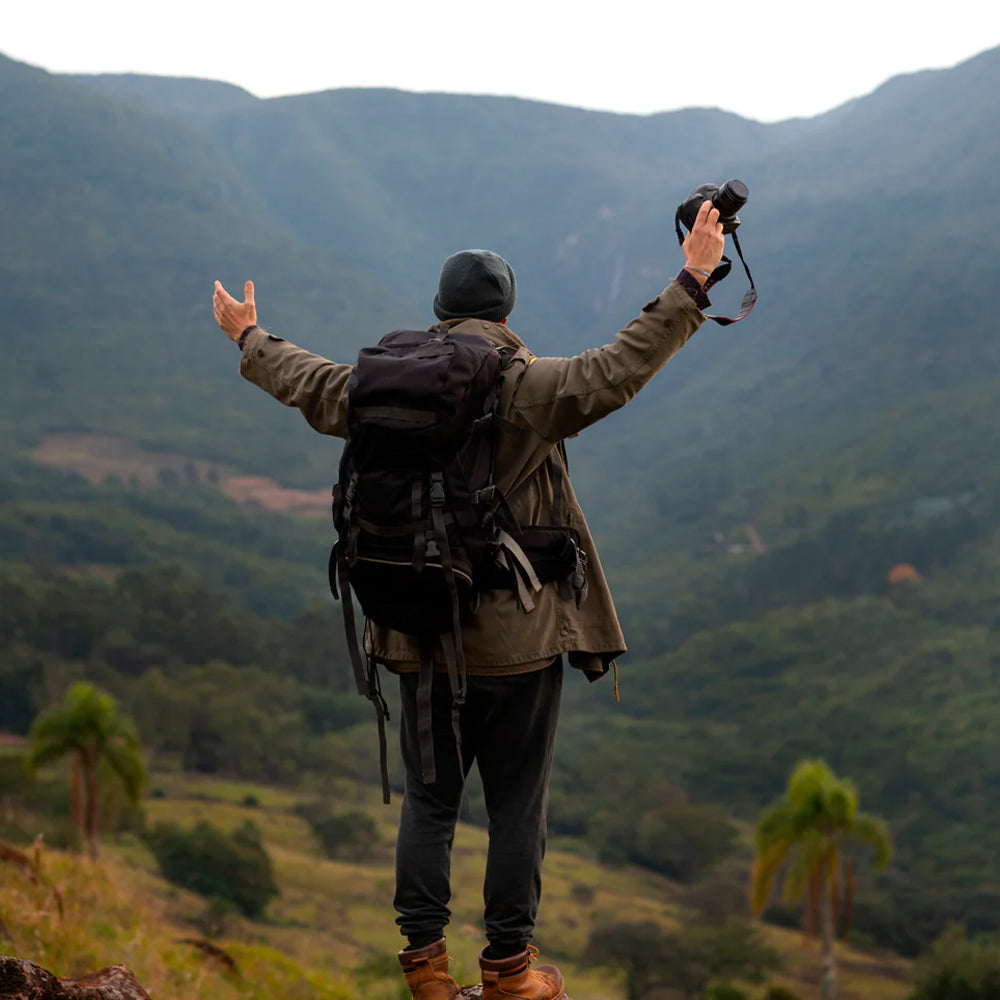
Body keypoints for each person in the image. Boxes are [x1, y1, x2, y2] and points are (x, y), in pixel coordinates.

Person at [212, 199, 726, 1000]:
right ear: (506, 314)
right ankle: (511, 973)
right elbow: (616, 368)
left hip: (415, 628)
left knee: (430, 801)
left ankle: (424, 967)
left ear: (440, 311)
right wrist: (693, 279)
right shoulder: (524, 388)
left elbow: (307, 382)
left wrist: (249, 336)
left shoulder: (383, 388)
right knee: (518, 805)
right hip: (515, 645)